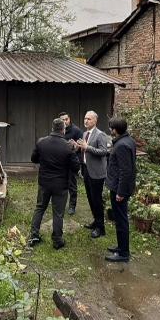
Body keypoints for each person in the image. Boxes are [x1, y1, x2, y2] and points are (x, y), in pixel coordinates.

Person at [30, 118, 81, 249]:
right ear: (63, 130)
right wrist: (74, 151)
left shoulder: (41, 142)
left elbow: (33, 159)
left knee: (40, 207)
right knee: (58, 213)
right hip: (60, 185)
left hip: (44, 182)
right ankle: (57, 240)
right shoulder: (68, 147)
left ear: (52, 129)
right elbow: (75, 167)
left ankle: (34, 235)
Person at [105, 116, 136, 262]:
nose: (110, 130)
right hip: (119, 186)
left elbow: (125, 171)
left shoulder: (122, 145)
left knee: (121, 220)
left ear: (115, 130)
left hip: (119, 188)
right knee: (119, 219)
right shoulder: (127, 140)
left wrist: (120, 192)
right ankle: (121, 246)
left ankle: (123, 253)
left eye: (111, 128)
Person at [77, 111, 109, 239]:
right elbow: (85, 150)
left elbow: (103, 152)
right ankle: (95, 220)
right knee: (90, 198)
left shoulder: (100, 135)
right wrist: (78, 146)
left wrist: (87, 146)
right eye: (85, 118)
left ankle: (101, 228)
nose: (86, 121)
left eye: (89, 119)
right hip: (86, 169)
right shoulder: (85, 133)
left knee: (97, 200)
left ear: (95, 121)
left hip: (96, 172)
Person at [59, 112, 82, 216]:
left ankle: (72, 206)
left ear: (69, 119)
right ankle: (60, 203)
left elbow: (83, 146)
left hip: (71, 161)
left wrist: (77, 146)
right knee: (59, 183)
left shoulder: (76, 131)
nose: (64, 121)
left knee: (72, 184)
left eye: (66, 119)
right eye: (62, 120)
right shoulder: (59, 130)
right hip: (60, 161)